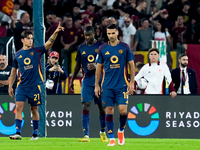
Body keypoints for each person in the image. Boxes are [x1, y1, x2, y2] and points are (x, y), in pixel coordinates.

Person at [8, 23, 64, 140]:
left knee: (34, 109)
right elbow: (13, 71)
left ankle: (35, 134)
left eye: (31, 38)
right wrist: (10, 86)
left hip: (35, 86)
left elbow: (49, 43)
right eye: (28, 39)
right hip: (22, 86)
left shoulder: (37, 51)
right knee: (18, 107)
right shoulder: (18, 55)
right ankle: (18, 133)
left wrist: (56, 32)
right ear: (23, 40)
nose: (30, 40)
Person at [95, 24, 135, 146]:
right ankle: (111, 138)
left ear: (117, 33)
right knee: (109, 110)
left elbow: (131, 65)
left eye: (113, 33)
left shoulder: (125, 47)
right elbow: (98, 68)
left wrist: (132, 83)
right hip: (107, 85)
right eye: (109, 33)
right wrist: (96, 85)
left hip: (122, 85)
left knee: (123, 111)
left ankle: (121, 131)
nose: (111, 36)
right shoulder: (102, 49)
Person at [69, 26, 107, 142]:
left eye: (89, 35)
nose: (87, 37)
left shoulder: (101, 46)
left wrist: (97, 66)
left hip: (100, 81)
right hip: (87, 80)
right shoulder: (81, 48)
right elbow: (78, 65)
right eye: (86, 35)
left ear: (94, 33)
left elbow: (109, 62)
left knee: (102, 108)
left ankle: (103, 132)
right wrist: (72, 79)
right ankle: (86, 135)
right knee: (85, 105)